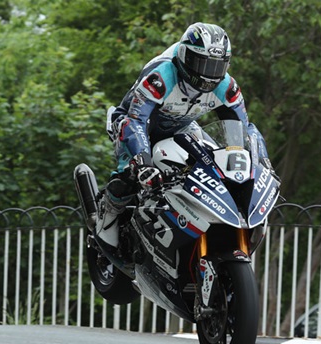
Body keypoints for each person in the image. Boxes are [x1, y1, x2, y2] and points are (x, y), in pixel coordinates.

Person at [96, 22, 272, 251]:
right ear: (184, 56)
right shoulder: (162, 76)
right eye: (202, 64)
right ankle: (108, 211)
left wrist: (261, 163)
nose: (208, 75)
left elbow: (244, 129)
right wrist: (143, 163)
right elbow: (135, 120)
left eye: (216, 67)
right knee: (131, 173)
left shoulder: (227, 86)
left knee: (214, 161)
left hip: (182, 125)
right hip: (136, 124)